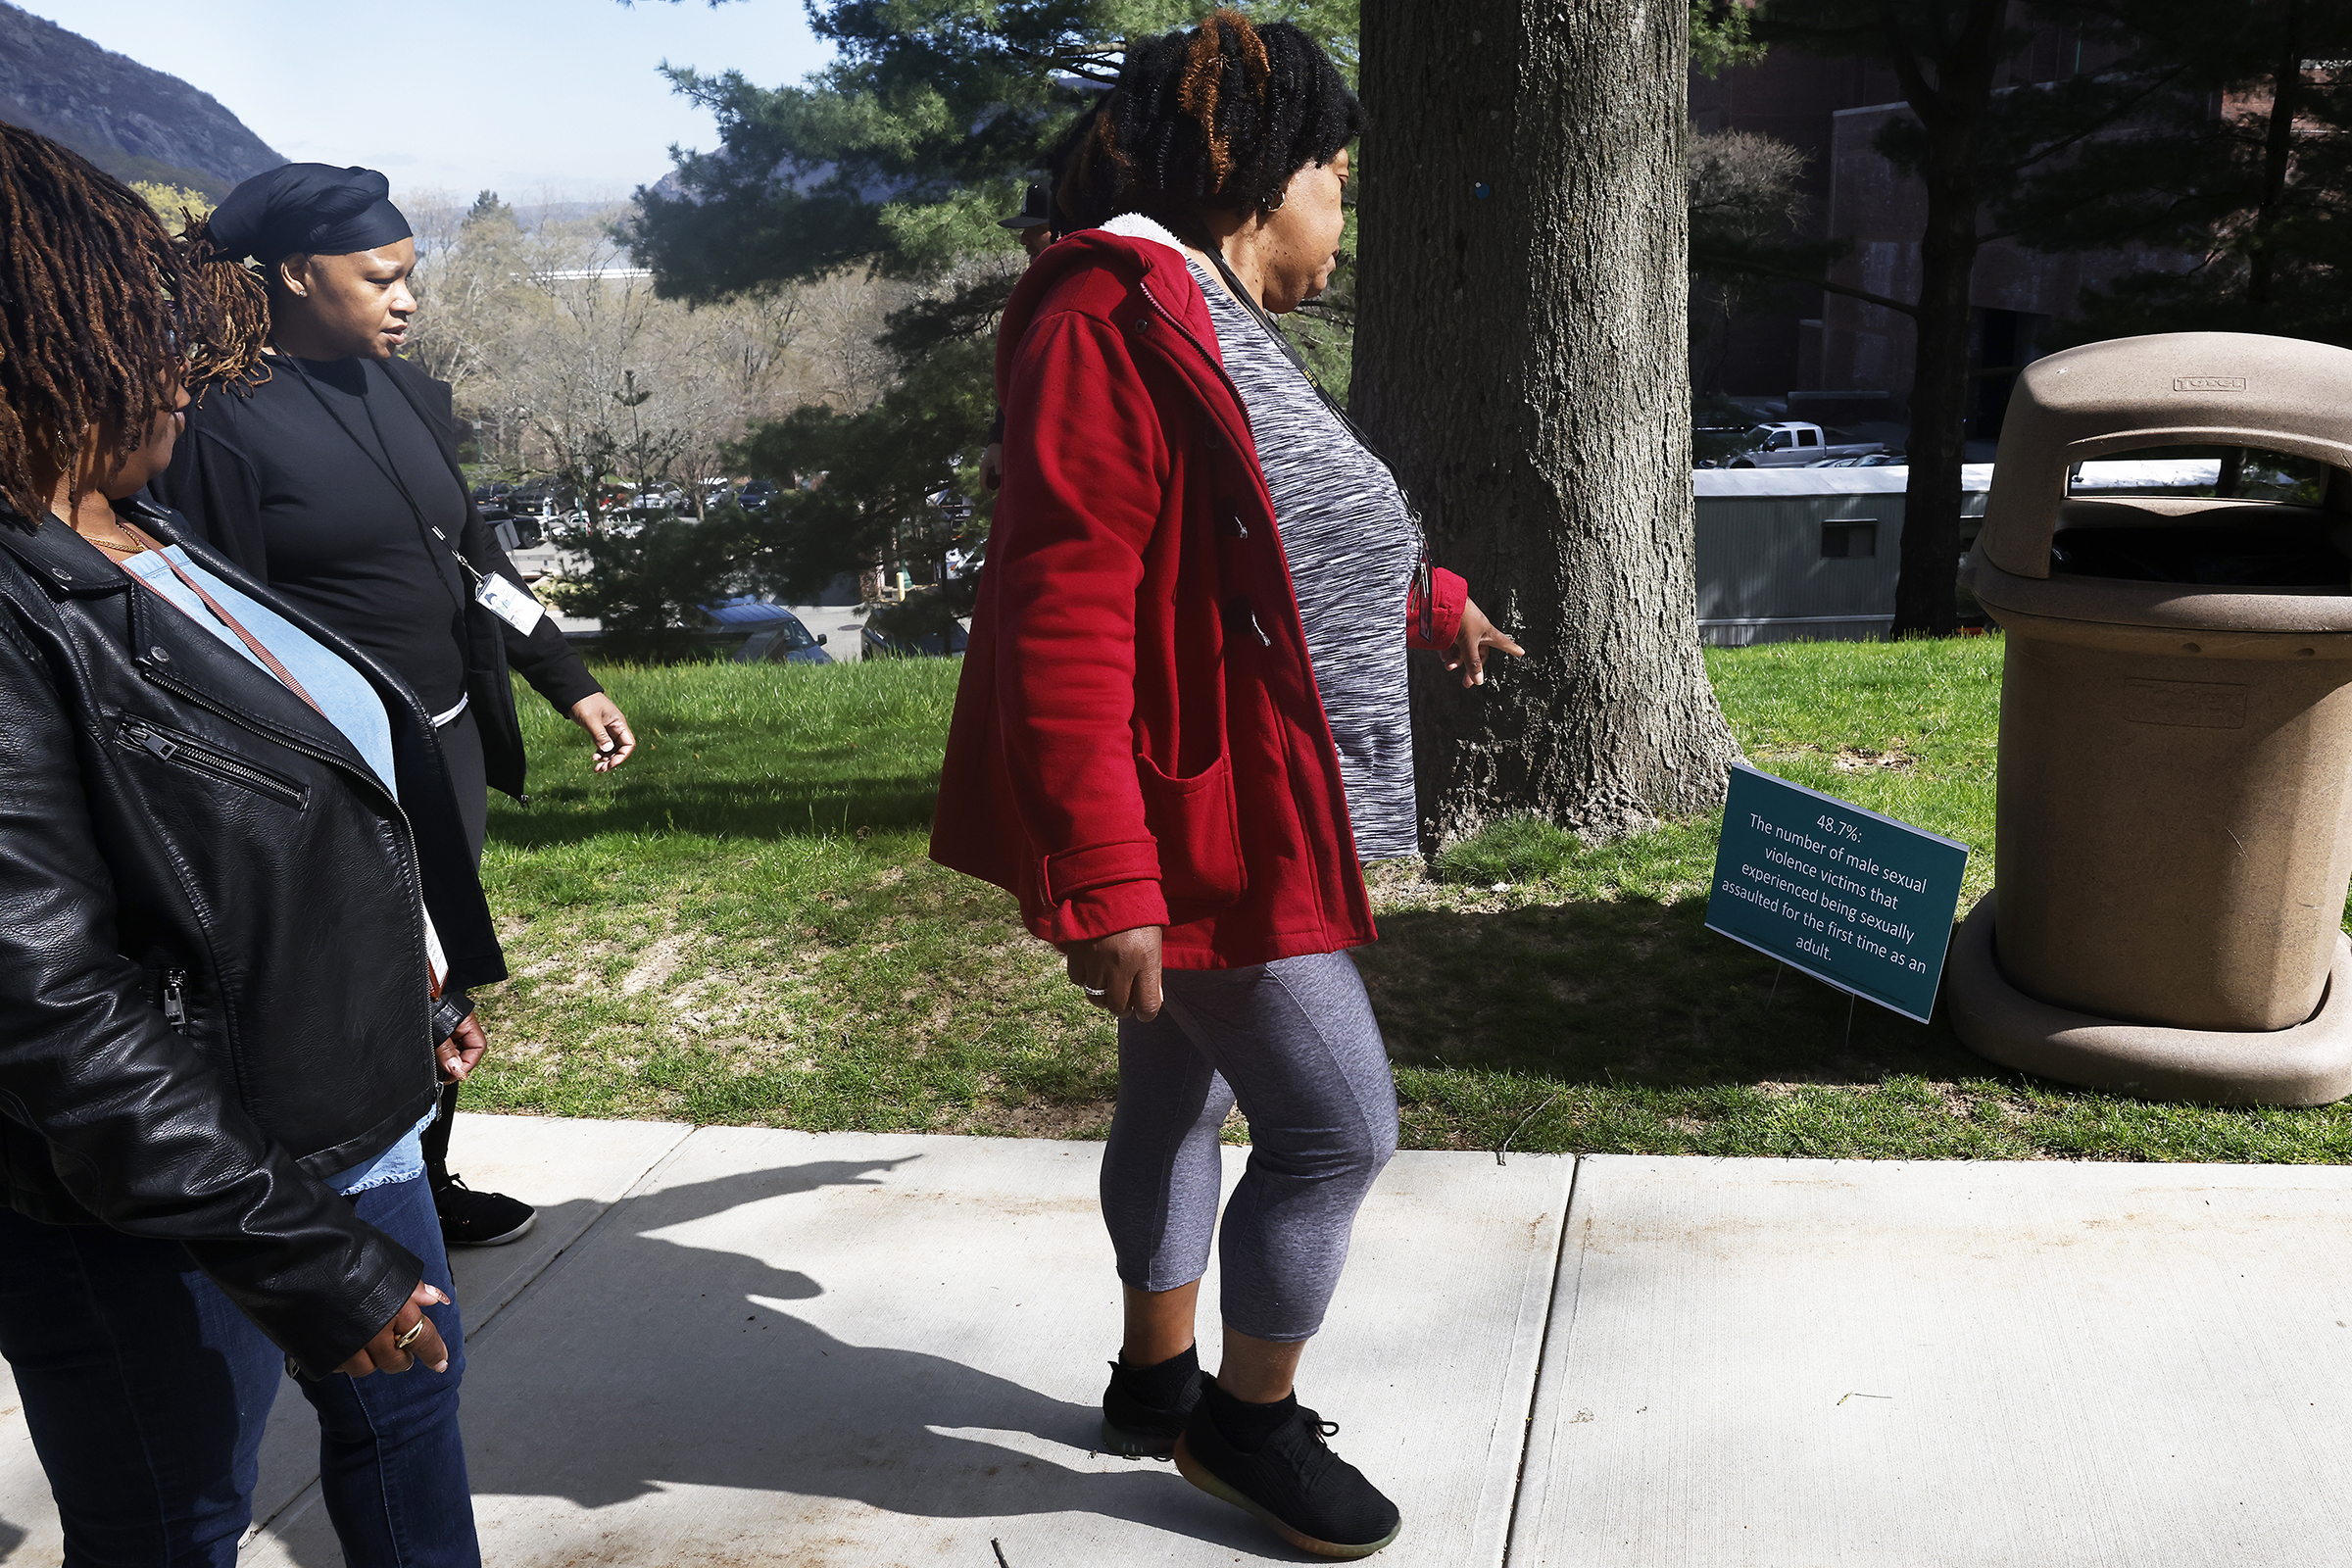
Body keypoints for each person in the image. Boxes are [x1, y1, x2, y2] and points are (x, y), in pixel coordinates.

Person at [930, 14, 1524, 1559]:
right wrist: (1110, 877)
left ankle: (1153, 1379)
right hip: (1202, 821)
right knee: (1339, 1131)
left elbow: (1267, 526)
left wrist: (1428, 595)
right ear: (1261, 179)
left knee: (1176, 1086)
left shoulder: (1207, 312)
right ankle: (1246, 1431)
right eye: (1337, 171)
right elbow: (1063, 611)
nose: (1348, 203)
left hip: (1240, 787)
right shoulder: (1105, 313)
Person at [0, 124, 494, 1564]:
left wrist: (405, 992)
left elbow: (263, 812)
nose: (180, 372)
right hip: (163, 1199)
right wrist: (297, 1251)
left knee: (407, 1436)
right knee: (175, 1520)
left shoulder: (136, 524)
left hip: (356, 1125)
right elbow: (47, 1002)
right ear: (36, 348)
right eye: (132, 337)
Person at [150, 163, 637, 1250]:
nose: (407, 299)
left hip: (445, 742)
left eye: (411, 276)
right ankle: (333, 1213)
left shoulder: (414, 396)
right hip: (328, 765)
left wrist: (568, 676)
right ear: (294, 275)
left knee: (442, 969)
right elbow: (215, 621)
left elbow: (474, 558)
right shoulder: (224, 422)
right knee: (351, 980)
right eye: (381, 279)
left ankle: (427, 1177)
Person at [978, 183, 1058, 493]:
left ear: (1063, 226)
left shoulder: (1090, 288)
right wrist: (997, 437)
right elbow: (1022, 372)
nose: (1023, 239)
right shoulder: (1041, 289)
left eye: (1036, 228)